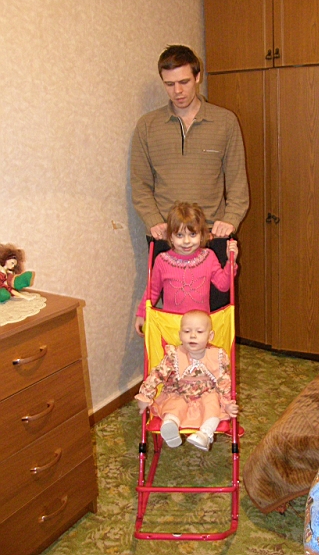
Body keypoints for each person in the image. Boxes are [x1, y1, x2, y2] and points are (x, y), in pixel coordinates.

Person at [130, 44, 249, 309]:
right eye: (169, 84)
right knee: (174, 322)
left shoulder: (225, 122)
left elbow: (238, 182)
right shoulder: (147, 126)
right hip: (166, 237)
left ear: (197, 76)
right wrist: (153, 220)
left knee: (214, 320)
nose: (178, 91)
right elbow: (140, 183)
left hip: (212, 237)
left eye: (184, 82)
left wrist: (230, 220)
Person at [135, 309, 239, 451]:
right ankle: (170, 425)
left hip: (207, 394)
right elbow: (157, 375)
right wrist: (145, 396)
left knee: (213, 404)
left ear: (210, 336)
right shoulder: (175, 355)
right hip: (179, 393)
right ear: (180, 335)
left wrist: (227, 404)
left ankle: (205, 434)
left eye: (199, 332)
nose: (193, 335)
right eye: (187, 331)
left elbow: (224, 383)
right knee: (175, 405)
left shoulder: (217, 356)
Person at [134, 202, 238, 336]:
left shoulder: (209, 257)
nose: (186, 241)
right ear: (170, 237)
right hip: (172, 329)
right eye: (180, 235)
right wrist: (142, 314)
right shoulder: (162, 261)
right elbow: (152, 290)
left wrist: (231, 261)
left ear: (202, 234)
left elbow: (223, 285)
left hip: (200, 330)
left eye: (193, 234)